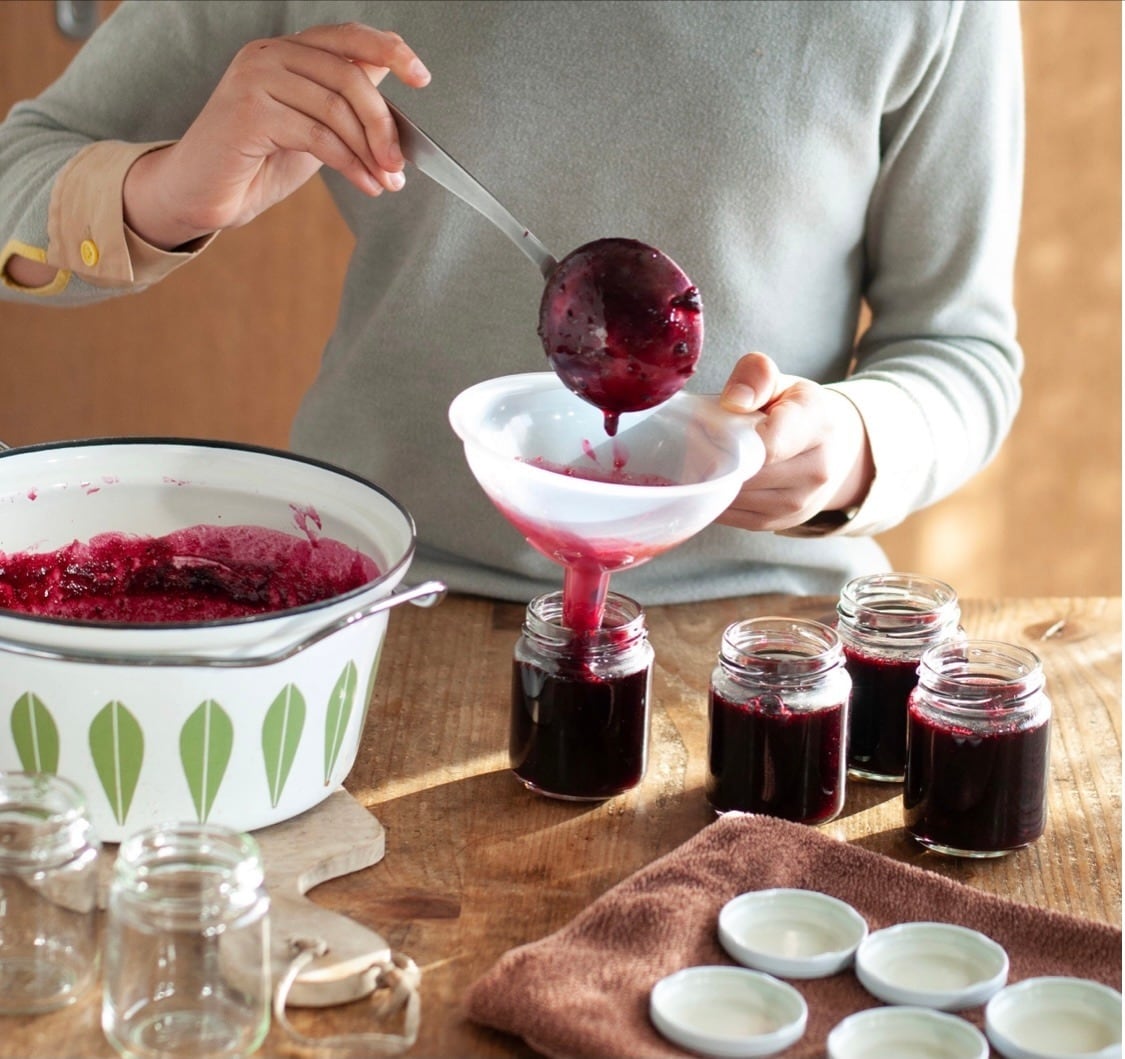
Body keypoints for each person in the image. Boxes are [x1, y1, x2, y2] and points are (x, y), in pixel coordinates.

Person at [0, 1, 1024, 604]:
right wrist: (169, 193)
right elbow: (17, 183)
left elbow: (960, 350)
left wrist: (848, 447)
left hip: (754, 627)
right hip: (370, 591)